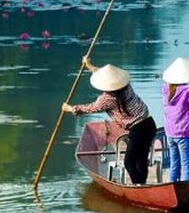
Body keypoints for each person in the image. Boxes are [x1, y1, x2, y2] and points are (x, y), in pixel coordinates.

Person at [62, 56, 157, 185]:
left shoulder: (107, 99)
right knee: (140, 159)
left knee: (129, 162)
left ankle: (138, 187)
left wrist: (70, 108)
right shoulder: (127, 87)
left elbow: (90, 108)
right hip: (150, 124)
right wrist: (90, 66)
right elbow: (107, 77)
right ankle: (141, 185)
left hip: (138, 129)